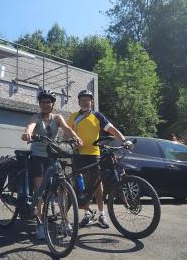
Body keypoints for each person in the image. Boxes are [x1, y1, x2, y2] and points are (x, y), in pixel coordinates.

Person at [21, 89, 82, 239]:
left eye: (48, 102)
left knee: (63, 189)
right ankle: (40, 223)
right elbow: (30, 126)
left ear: (53, 104)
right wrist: (27, 133)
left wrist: (76, 137)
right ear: (40, 104)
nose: (45, 104)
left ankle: (65, 221)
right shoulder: (36, 117)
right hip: (38, 156)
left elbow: (67, 129)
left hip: (53, 156)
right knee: (39, 190)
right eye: (42, 102)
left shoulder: (57, 117)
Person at [68, 89, 132, 229]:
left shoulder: (97, 116)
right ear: (79, 102)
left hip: (93, 154)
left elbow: (112, 129)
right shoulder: (73, 117)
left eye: (88, 100)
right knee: (82, 185)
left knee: (97, 183)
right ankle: (87, 214)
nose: (85, 102)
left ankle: (102, 214)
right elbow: (68, 134)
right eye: (82, 100)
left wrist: (124, 140)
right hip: (78, 154)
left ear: (91, 102)